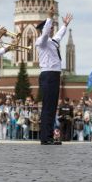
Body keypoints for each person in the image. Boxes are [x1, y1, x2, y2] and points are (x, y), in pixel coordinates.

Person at [35, 8, 73, 145]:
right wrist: (49, 18)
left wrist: (65, 25)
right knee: (47, 108)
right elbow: (45, 34)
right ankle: (45, 138)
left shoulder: (52, 41)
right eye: (49, 28)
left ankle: (49, 136)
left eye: (51, 28)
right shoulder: (41, 41)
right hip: (48, 75)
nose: (51, 30)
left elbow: (59, 35)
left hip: (55, 75)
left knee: (51, 108)